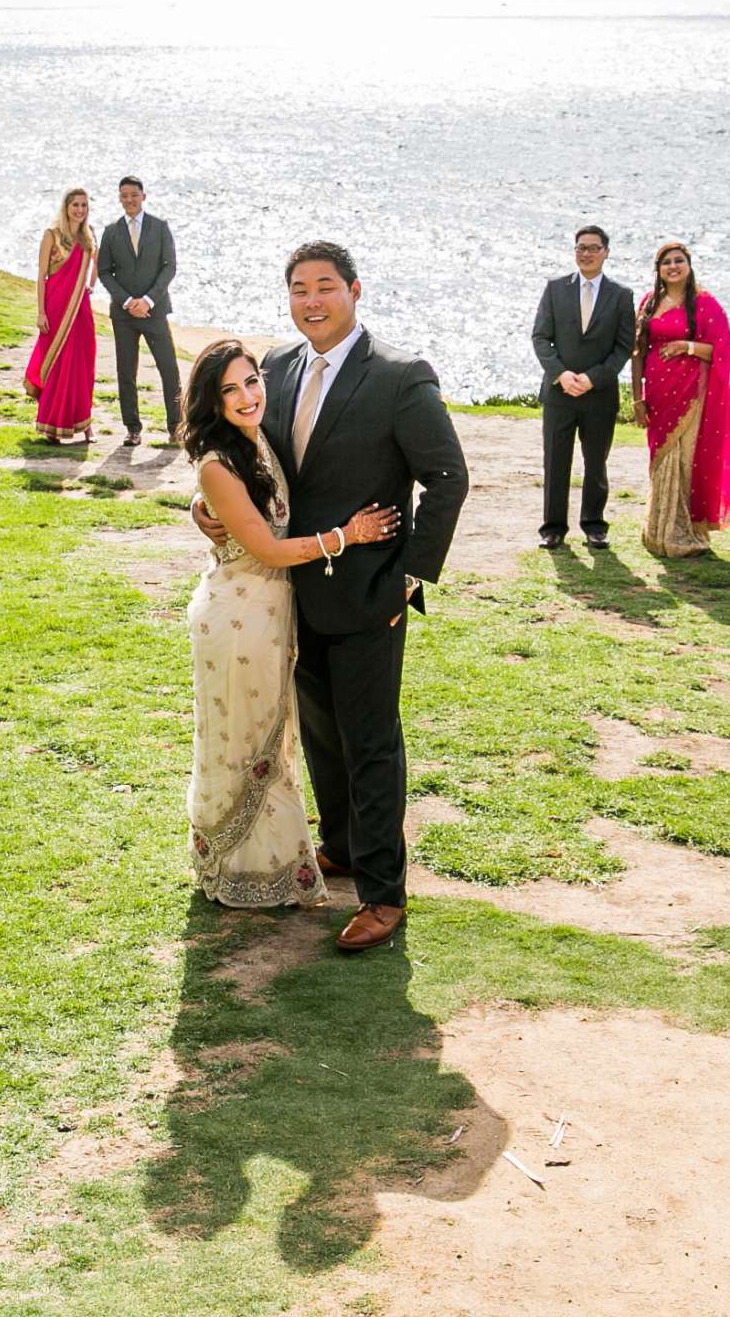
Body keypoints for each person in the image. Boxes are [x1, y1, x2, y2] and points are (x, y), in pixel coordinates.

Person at [195, 243, 469, 952]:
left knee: (372, 744)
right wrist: (206, 512)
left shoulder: (401, 377)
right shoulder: (276, 368)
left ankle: (383, 894)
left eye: (324, 286)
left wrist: (408, 578)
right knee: (321, 736)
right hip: (290, 596)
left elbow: (447, 479)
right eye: (298, 288)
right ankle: (342, 847)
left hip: (368, 593)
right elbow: (249, 460)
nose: (310, 300)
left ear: (353, 290)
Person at [180, 339, 399, 908]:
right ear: (211, 400)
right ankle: (243, 868)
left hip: (273, 615)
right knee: (241, 743)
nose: (248, 396)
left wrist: (202, 510)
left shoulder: (258, 440)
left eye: (251, 381)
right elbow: (269, 550)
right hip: (238, 620)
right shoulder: (218, 462)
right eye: (230, 389)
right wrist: (347, 537)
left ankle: (276, 858)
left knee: (271, 742)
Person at [530, 224, 637, 548]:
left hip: (599, 395)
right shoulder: (555, 288)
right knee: (556, 462)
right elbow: (541, 337)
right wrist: (561, 374)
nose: (586, 253)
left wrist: (593, 377)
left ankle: (594, 526)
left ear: (606, 252)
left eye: (593, 248)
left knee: (596, 463)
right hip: (559, 393)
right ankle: (552, 529)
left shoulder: (621, 296)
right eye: (581, 247)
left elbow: (623, 347)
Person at [628, 240, 730, 557]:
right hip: (659, 397)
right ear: (658, 270)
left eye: (679, 261)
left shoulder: (706, 305)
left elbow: (722, 352)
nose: (673, 266)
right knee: (660, 459)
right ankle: (658, 530)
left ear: (688, 266)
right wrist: (638, 398)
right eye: (666, 262)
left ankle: (681, 534)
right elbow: (637, 353)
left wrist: (685, 347)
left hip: (692, 396)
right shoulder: (650, 302)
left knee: (685, 460)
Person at [98, 176, 181, 445]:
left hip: (154, 312)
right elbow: (104, 272)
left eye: (133, 195)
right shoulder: (111, 231)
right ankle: (132, 428)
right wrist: (126, 302)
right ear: (119, 198)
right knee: (126, 372)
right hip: (123, 315)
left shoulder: (160, 227)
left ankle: (176, 426)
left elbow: (169, 267)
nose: (129, 200)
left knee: (169, 368)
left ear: (143, 196)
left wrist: (147, 300)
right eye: (124, 196)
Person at [24, 187, 99, 443]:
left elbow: (94, 266)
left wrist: (91, 284)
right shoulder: (52, 235)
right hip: (56, 309)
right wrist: (41, 312)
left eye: (84, 205)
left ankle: (85, 424)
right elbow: (42, 276)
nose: (80, 210)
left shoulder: (89, 236)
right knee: (57, 364)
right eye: (75, 205)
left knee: (83, 365)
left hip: (81, 310)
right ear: (66, 207)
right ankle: (52, 424)